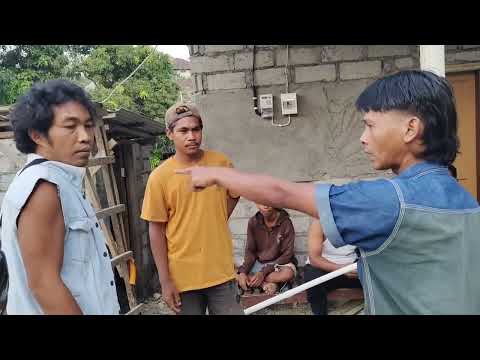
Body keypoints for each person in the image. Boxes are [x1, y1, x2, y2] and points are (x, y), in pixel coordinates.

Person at [176, 70, 480, 315]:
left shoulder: (391, 200)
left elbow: (282, 192)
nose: (363, 138)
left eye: (370, 126)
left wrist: (215, 173)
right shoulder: (466, 200)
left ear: (410, 129)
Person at [1, 80, 120, 315]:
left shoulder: (62, 181)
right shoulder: (43, 187)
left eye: (88, 126)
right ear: (37, 135)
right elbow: (45, 285)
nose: (85, 137)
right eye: (70, 126)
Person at [141, 102, 243, 315]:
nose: (191, 136)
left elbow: (235, 192)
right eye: (183, 130)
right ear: (169, 134)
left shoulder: (220, 163)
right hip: (182, 279)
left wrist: (216, 217)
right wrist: (165, 280)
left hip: (221, 273)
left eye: (196, 129)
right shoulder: (160, 177)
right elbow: (156, 229)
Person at [304, 219, 361, 315]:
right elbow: (314, 259)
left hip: (351, 268)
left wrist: (359, 267)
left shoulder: (360, 217)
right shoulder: (320, 221)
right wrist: (341, 269)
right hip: (324, 268)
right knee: (312, 280)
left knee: (376, 276)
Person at [237, 204, 297, 295]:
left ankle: (255, 282)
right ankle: (267, 285)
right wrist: (243, 272)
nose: (265, 206)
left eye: (268, 202)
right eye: (261, 203)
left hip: (279, 264)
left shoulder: (286, 223)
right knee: (235, 273)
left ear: (274, 202)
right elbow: (250, 251)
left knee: (288, 273)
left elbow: (287, 255)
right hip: (259, 263)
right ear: (256, 203)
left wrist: (263, 273)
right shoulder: (253, 222)